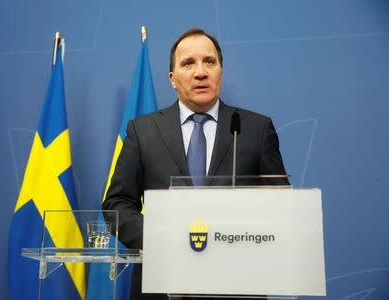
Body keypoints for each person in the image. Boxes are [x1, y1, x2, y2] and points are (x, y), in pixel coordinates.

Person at [103, 28, 288, 300]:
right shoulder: (143, 132)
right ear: (172, 79)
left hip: (236, 286)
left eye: (209, 62)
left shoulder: (256, 129)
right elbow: (117, 204)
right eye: (188, 63)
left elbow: (280, 207)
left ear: (221, 73)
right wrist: (163, 238)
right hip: (162, 286)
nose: (200, 72)